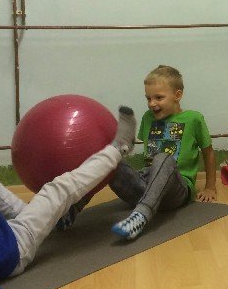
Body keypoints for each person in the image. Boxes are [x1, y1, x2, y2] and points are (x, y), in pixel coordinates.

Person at [0, 107, 136, 289]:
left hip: (4, 231)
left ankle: (49, 218)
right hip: (15, 246)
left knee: (44, 207)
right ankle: (120, 147)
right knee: (59, 189)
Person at [61, 65, 217, 241]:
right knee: (110, 159)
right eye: (148, 98)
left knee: (163, 158)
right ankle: (73, 208)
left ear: (178, 95)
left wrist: (210, 187)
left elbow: (208, 153)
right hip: (144, 187)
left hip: (176, 192)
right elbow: (131, 147)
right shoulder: (148, 118)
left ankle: (141, 215)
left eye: (158, 97)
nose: (152, 103)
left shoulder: (194, 119)